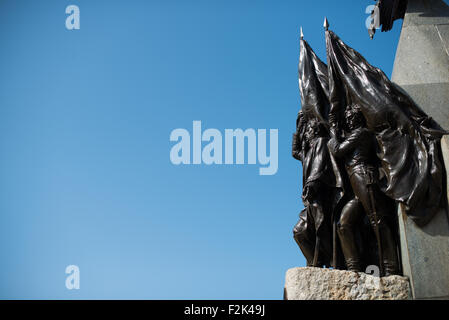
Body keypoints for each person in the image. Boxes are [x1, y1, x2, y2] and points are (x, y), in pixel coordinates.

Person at [327, 104, 399, 275]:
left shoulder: (362, 133)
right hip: (355, 182)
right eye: (348, 119)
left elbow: (338, 150)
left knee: (377, 220)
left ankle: (391, 268)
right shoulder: (354, 134)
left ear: (358, 119)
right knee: (343, 224)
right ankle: (354, 268)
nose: (350, 122)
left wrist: (332, 134)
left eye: (352, 118)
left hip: (364, 176)